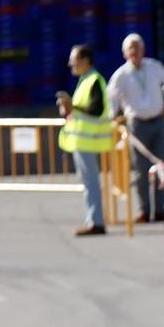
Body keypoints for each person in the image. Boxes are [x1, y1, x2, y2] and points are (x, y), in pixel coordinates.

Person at [107, 33, 164, 223]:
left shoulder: (154, 67)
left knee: (161, 166)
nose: (135, 52)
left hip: (158, 121)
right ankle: (144, 210)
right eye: (131, 48)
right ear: (125, 53)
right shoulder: (121, 75)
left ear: (143, 50)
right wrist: (115, 118)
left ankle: (161, 208)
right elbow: (112, 98)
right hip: (137, 124)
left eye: (137, 47)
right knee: (140, 170)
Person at [56, 45, 114, 237]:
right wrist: (69, 110)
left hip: (89, 141)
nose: (70, 64)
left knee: (91, 183)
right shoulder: (85, 80)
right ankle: (93, 219)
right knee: (89, 182)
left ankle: (96, 222)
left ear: (85, 60)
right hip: (83, 141)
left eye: (74, 59)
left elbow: (95, 110)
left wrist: (73, 106)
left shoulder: (94, 80)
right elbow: (82, 110)